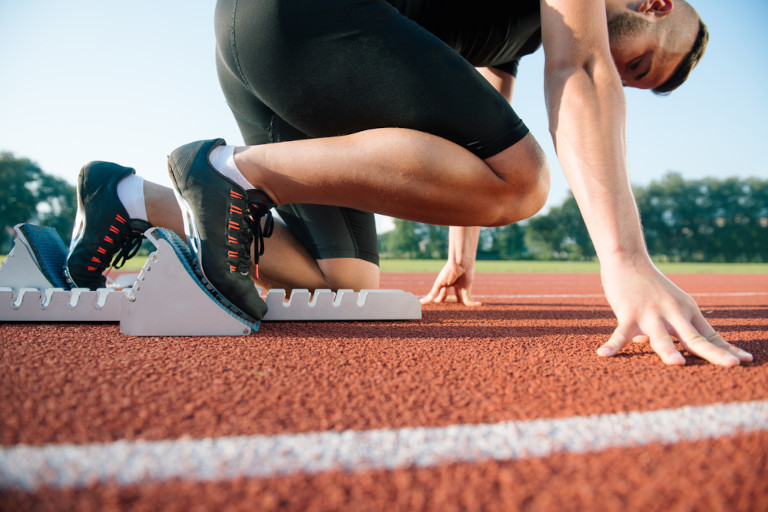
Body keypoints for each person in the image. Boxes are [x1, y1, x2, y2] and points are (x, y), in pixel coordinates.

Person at [66, 0, 753, 367]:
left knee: (340, 280)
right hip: (314, 21)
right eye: (641, 66)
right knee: (525, 184)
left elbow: (479, 132)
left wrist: (459, 263)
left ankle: (129, 198)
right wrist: (626, 260)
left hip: (265, 43)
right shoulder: (574, 21)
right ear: (657, 3)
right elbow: (582, 70)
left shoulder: (515, 30)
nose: (626, 75)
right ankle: (232, 170)